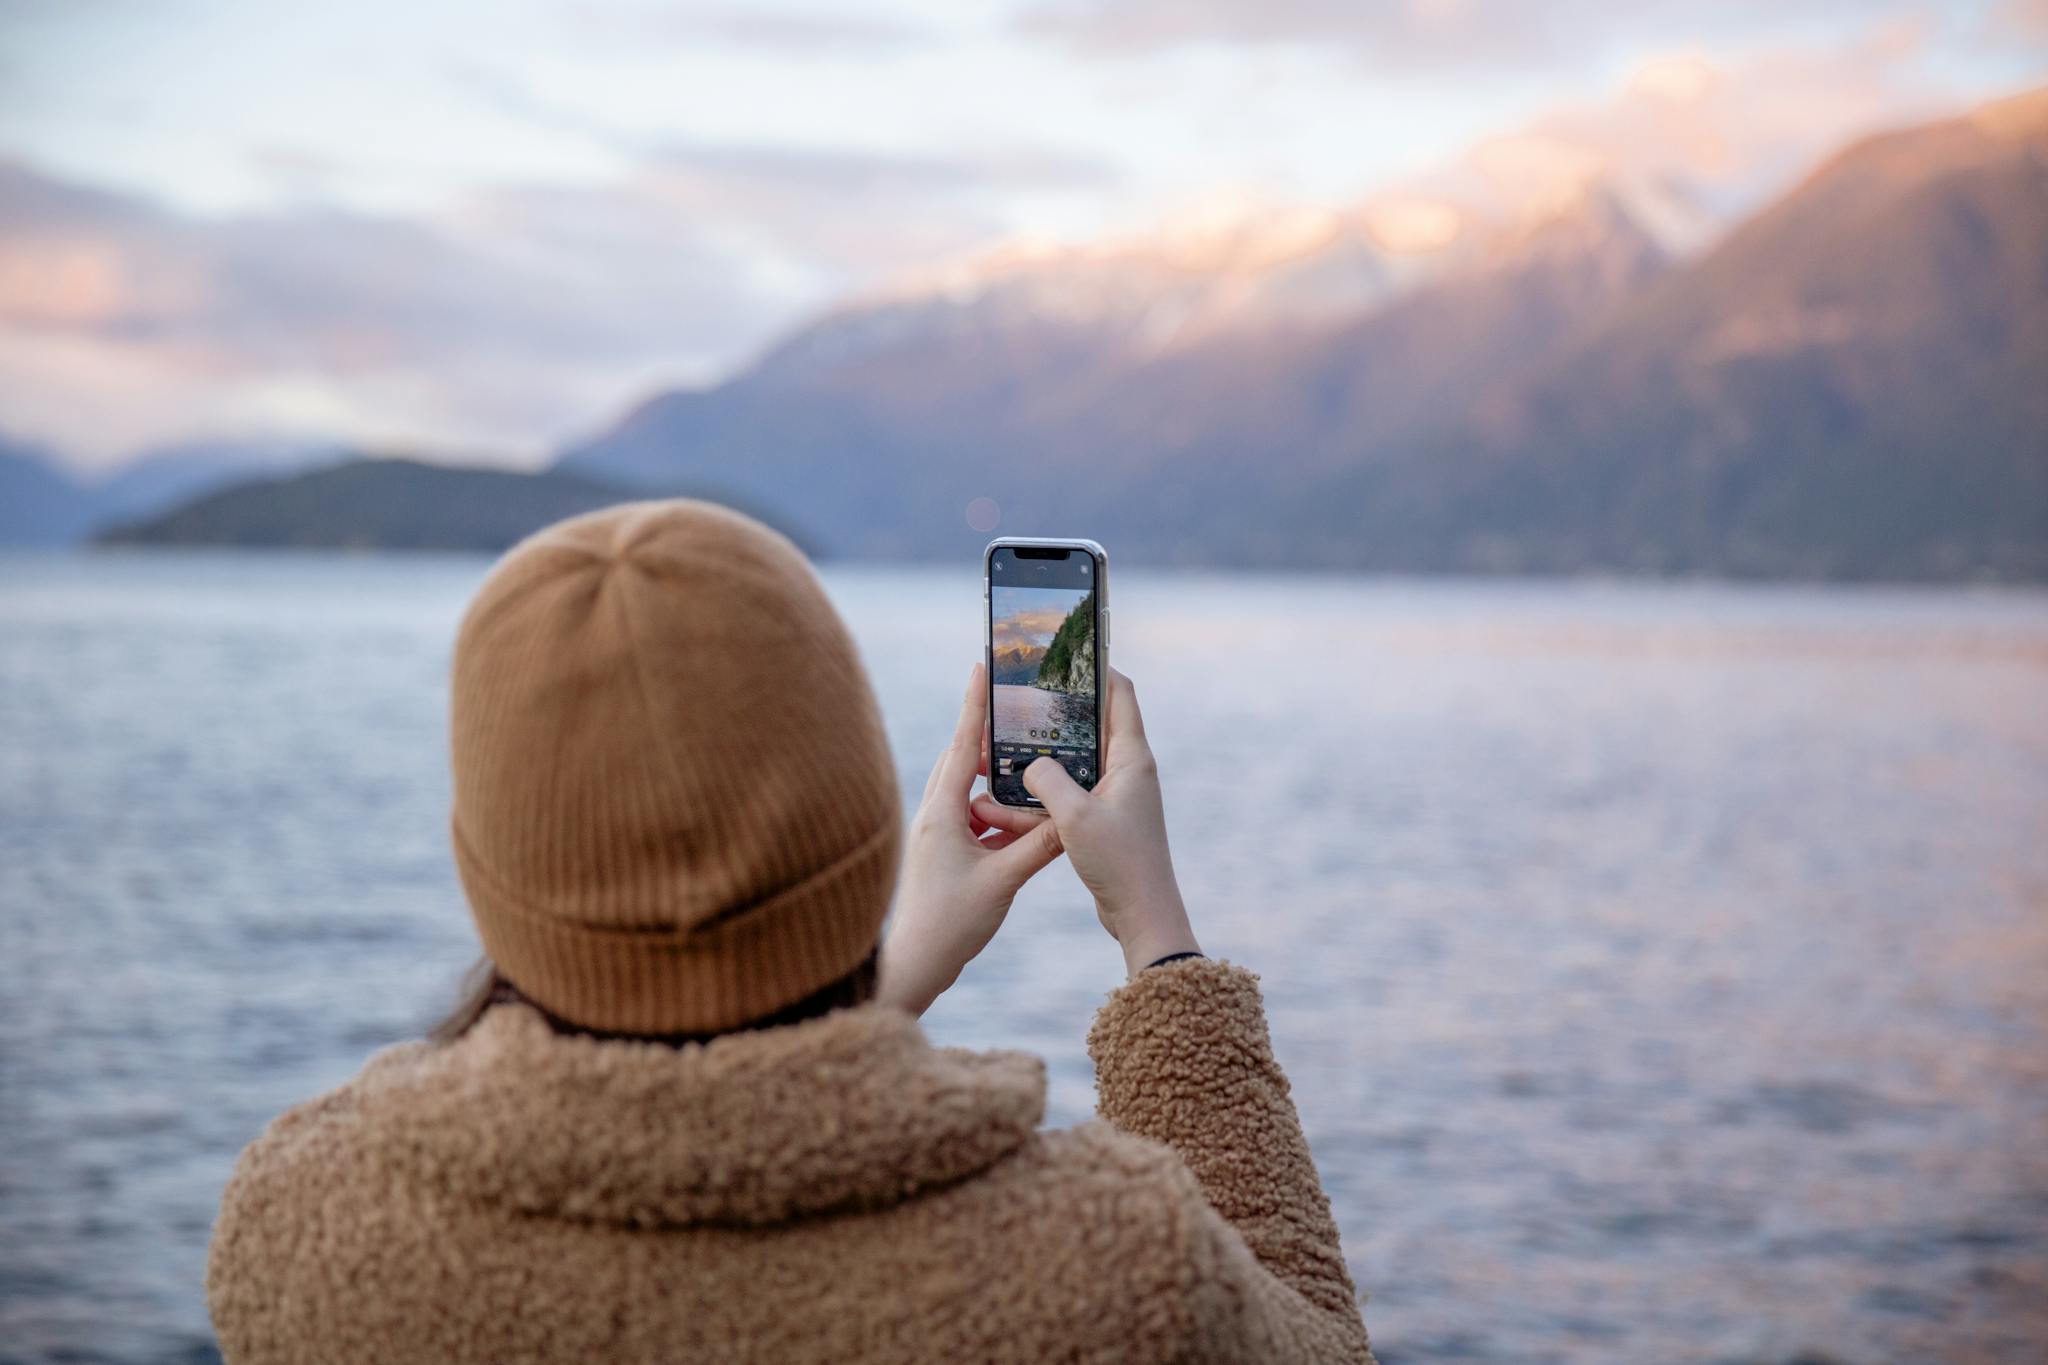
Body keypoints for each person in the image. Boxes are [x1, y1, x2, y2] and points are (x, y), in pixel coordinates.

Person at [206, 501, 1374, 1364]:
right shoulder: (1108, 1271)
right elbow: (1312, 1328)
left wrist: (883, 986)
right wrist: (1156, 943)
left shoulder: (300, 1236)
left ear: (493, 867)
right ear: (867, 826)